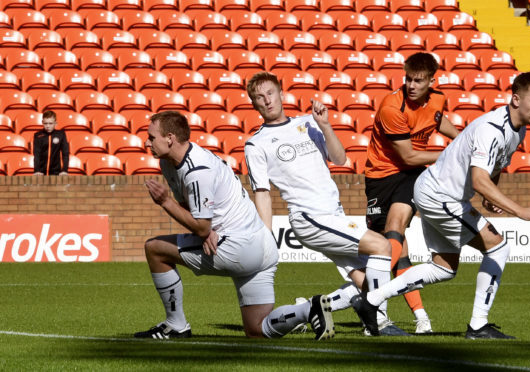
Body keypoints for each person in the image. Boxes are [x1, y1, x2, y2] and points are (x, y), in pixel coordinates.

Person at [352, 71, 530, 338]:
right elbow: (479, 179)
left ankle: (370, 301)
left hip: (435, 192)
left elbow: (494, 168)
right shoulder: (490, 129)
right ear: (516, 100)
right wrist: (519, 211)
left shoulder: (518, 130)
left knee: (443, 268)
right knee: (498, 247)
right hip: (441, 195)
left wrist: (488, 195)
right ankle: (478, 326)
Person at [135, 111, 334, 341]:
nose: (146, 142)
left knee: (155, 249)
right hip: (262, 244)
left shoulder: (197, 170)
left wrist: (166, 203)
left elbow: (199, 224)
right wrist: (203, 230)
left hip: (237, 246)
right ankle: (308, 309)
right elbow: (191, 210)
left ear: (170, 138)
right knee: (257, 330)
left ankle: (175, 325)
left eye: (151, 137)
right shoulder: (171, 162)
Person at [244, 72, 405, 337]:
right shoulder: (256, 144)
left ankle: (306, 310)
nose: (267, 100)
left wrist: (326, 125)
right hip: (310, 217)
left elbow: (340, 158)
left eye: (270, 93)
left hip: (334, 213)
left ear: (281, 93)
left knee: (366, 280)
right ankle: (380, 323)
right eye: (259, 97)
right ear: (254, 104)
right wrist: (265, 236)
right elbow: (262, 193)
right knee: (382, 245)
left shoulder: (309, 123)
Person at [364, 52, 460, 333]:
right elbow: (407, 155)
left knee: (395, 229)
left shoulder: (439, 98)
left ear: (432, 80)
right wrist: (450, 154)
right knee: (399, 254)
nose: (412, 85)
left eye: (419, 80)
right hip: (381, 176)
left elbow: (437, 120)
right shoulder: (392, 108)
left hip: (411, 175)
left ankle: (374, 312)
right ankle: (420, 317)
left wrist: (461, 139)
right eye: (408, 79)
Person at [33, 110, 69, 176]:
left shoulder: (61, 135)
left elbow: (65, 154)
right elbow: (36, 154)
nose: (48, 126)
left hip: (57, 173)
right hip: (41, 173)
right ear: (42, 122)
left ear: (55, 123)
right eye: (46, 123)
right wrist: (37, 170)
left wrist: (64, 170)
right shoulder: (38, 135)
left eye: (50, 123)